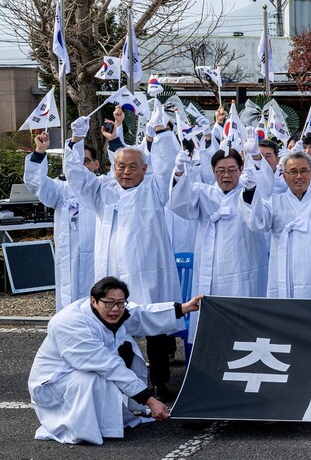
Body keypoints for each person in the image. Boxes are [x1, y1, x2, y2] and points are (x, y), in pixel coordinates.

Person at [66, 110, 182, 398]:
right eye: (120, 166)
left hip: (150, 273)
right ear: (113, 167)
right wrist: (76, 141)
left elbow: (168, 165)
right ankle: (120, 382)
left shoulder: (154, 189)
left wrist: (162, 132)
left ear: (144, 168)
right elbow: (77, 178)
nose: (126, 171)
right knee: (115, 330)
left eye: (132, 166)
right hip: (114, 275)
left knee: (155, 328)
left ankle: (160, 382)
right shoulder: (104, 190)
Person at [28, 276, 203, 445]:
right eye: (109, 303)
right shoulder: (70, 323)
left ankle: (103, 426)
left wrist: (185, 308)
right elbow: (107, 365)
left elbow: (142, 314)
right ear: (93, 301)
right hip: (53, 383)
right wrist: (149, 399)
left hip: (80, 372)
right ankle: (76, 428)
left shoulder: (118, 310)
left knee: (101, 376)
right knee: (92, 379)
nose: (115, 309)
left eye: (120, 303)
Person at [169, 147, 268, 340]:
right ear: (213, 172)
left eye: (232, 170)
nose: (226, 175)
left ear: (241, 170)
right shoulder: (202, 192)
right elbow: (179, 206)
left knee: (242, 319)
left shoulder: (251, 191)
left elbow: (260, 218)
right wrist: (179, 171)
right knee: (212, 325)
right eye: (221, 170)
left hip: (243, 268)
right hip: (211, 268)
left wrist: (251, 191)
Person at [243, 151, 311, 298]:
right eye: (293, 172)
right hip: (287, 276)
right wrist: (249, 191)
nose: (299, 176)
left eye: (304, 171)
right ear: (284, 176)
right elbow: (257, 222)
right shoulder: (274, 202)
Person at [24, 128, 97, 310]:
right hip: (69, 258)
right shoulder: (60, 189)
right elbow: (37, 184)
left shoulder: (103, 186)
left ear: (96, 165)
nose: (80, 166)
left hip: (98, 258)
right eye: (76, 161)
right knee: (70, 308)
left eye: (85, 161)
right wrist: (40, 151)